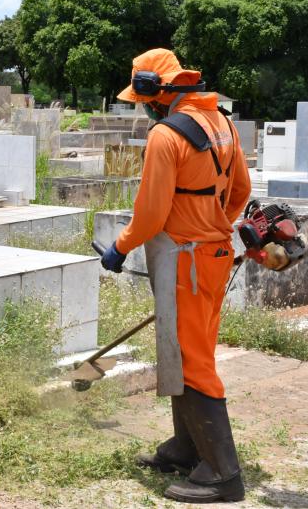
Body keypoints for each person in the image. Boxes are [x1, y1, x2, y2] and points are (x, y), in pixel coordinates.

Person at [99, 48, 251, 503]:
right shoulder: (222, 122)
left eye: (143, 98)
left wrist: (119, 248)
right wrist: (212, 227)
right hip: (212, 255)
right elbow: (240, 190)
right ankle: (188, 447)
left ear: (154, 91)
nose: (143, 105)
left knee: (195, 361)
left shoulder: (166, 136)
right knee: (186, 353)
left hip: (185, 262)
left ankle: (224, 475)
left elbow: (149, 215)